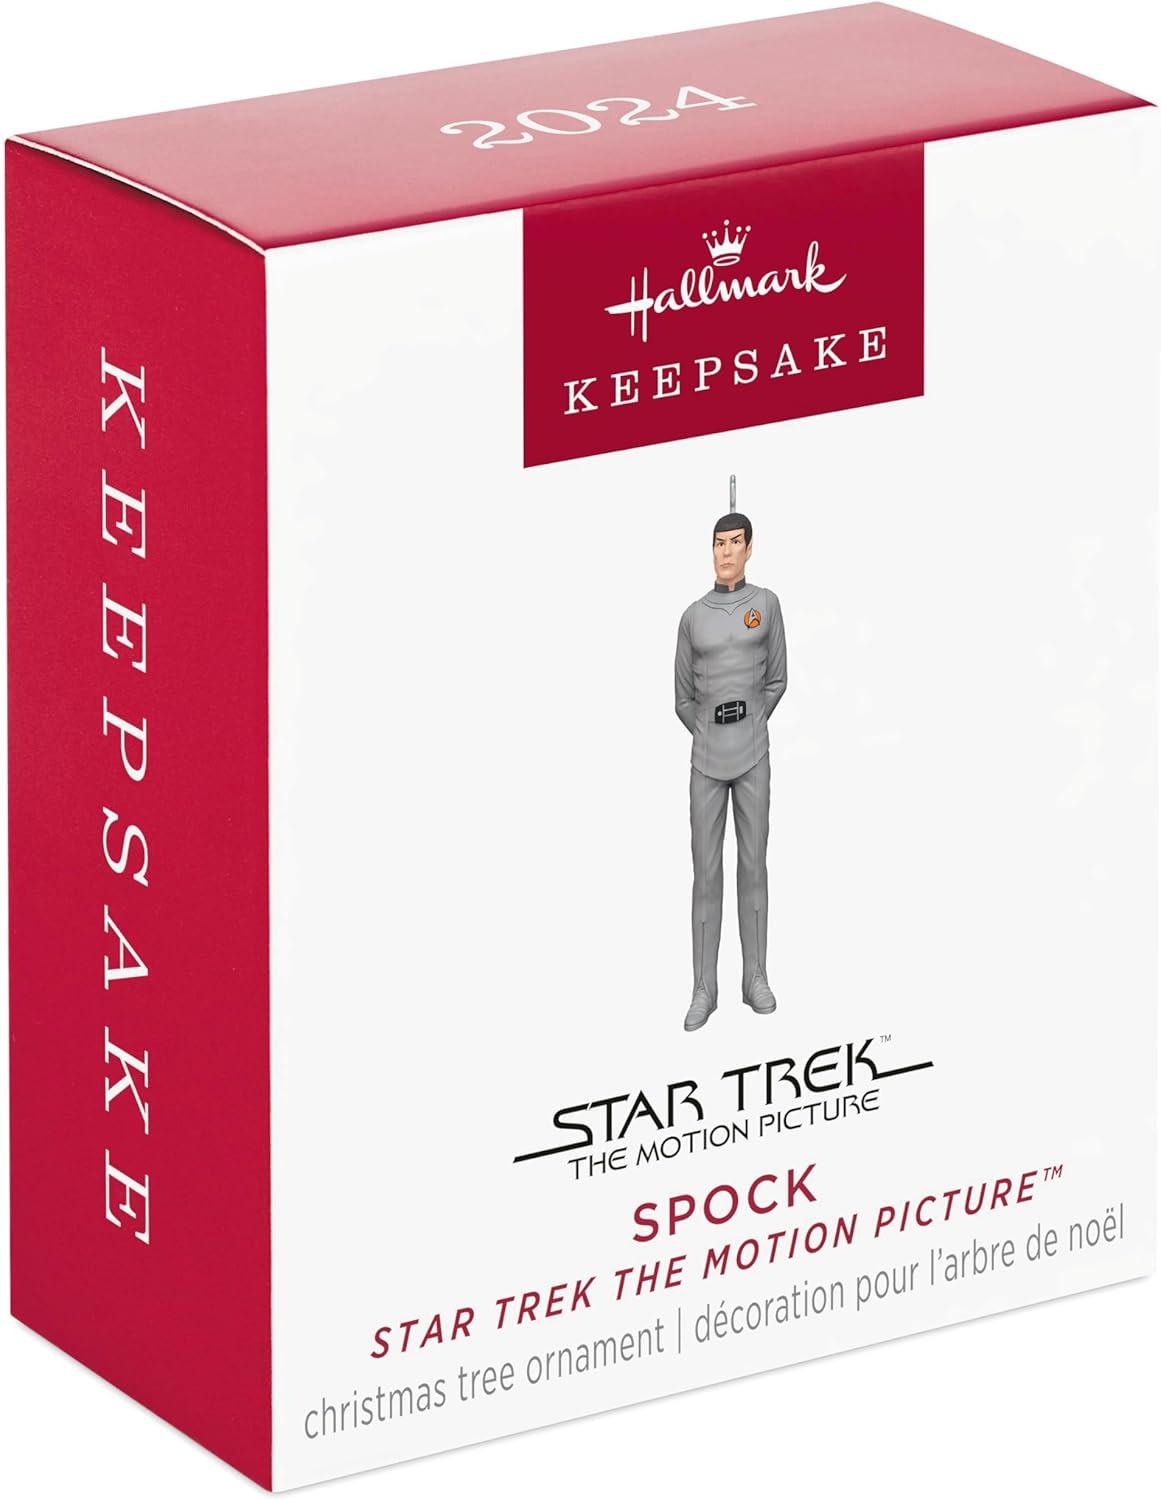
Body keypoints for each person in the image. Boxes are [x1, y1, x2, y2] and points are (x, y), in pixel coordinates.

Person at [674, 477, 787, 1031]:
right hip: (706, 760)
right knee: (705, 873)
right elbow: (682, 697)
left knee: (754, 866)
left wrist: (752, 723)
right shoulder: (692, 616)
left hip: (753, 755)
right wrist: (706, 731)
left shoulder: (766, 605)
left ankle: (755, 977)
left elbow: (777, 679)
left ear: (749, 547)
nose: (725, 553)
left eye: (734, 543)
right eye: (718, 544)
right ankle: (704, 987)